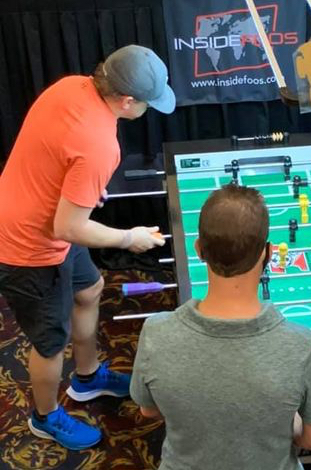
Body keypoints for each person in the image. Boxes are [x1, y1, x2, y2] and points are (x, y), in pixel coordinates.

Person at [0, 44, 175, 450]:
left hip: (40, 218)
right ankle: (44, 418)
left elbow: (55, 158)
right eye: (148, 103)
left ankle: (87, 378)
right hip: (27, 248)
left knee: (90, 289)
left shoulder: (70, 87)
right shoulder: (100, 143)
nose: (149, 109)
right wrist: (129, 238)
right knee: (49, 344)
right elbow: (69, 227)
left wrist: (79, 193)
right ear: (127, 100)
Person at [130, 184, 311, 470]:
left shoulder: (155, 331)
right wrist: (282, 422)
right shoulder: (303, 344)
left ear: (199, 250)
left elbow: (149, 409)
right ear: (267, 254)